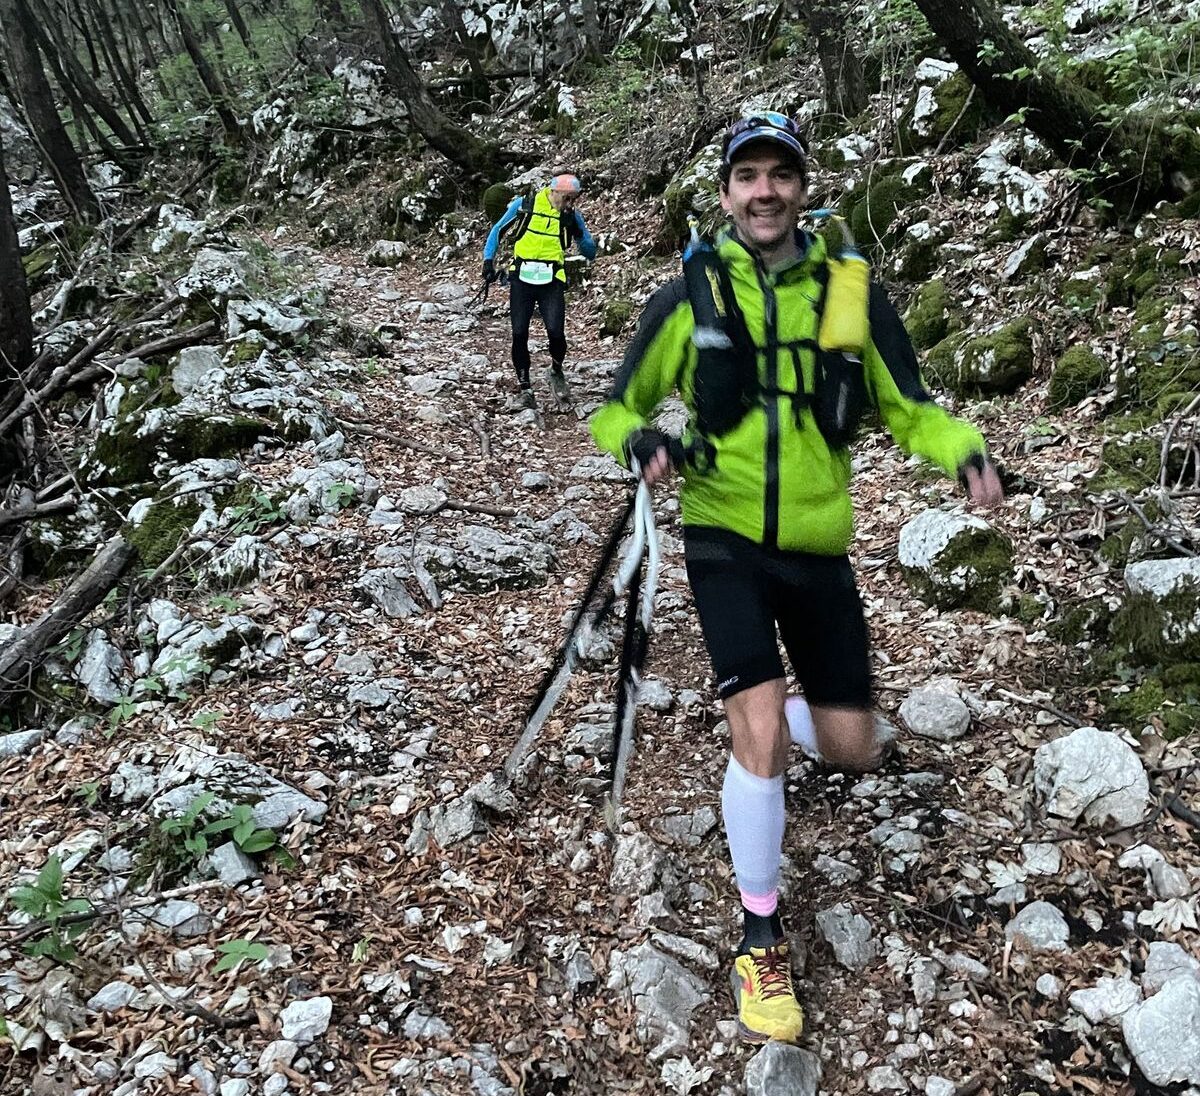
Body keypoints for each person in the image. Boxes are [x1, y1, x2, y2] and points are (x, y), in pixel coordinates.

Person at [589, 112, 1004, 1044]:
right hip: (722, 533)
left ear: (803, 189)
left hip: (819, 547)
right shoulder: (691, 294)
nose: (765, 191)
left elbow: (915, 412)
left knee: (855, 747)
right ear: (728, 193)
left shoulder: (849, 295)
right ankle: (759, 931)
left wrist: (966, 455)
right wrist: (644, 442)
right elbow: (611, 413)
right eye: (749, 177)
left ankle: (757, 741)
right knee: (766, 725)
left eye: (781, 174)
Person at [482, 172, 597, 410]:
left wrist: (577, 231)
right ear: (553, 191)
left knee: (556, 333)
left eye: (573, 199)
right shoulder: (525, 205)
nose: (570, 204)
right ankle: (526, 388)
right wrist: (488, 261)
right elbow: (497, 230)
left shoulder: (571, 216)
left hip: (552, 279)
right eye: (566, 198)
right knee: (519, 333)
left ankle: (556, 369)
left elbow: (589, 250)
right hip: (522, 278)